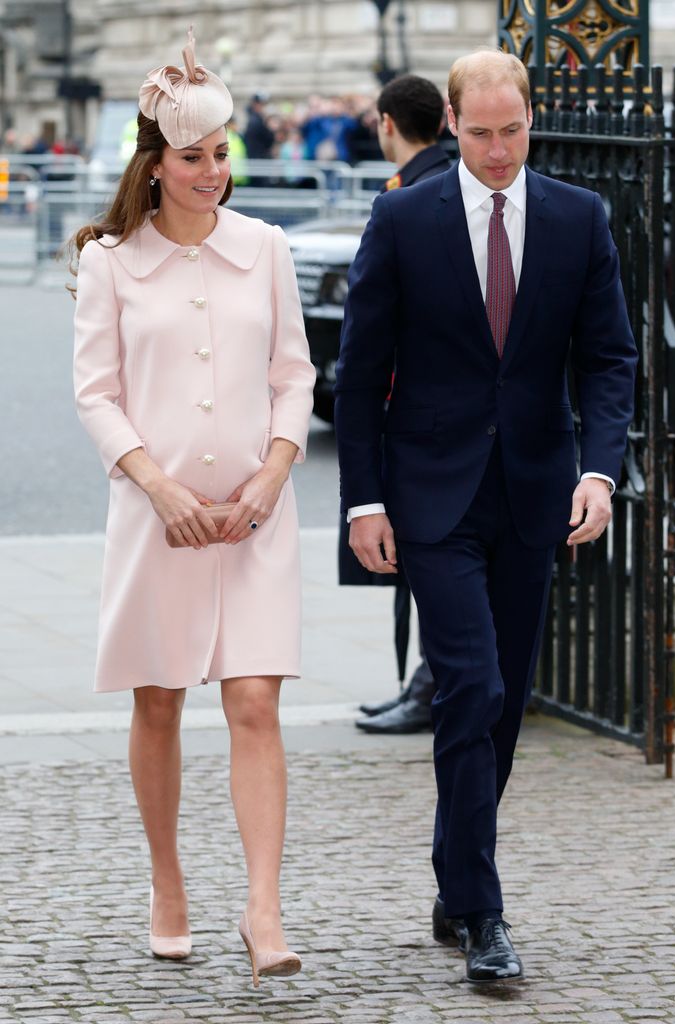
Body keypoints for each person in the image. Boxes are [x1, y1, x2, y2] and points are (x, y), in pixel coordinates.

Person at [334, 50, 637, 983]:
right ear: (452, 125)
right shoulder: (401, 216)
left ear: (531, 119)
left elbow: (610, 359)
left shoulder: (579, 217)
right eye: (480, 133)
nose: (499, 151)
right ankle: (483, 911)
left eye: (514, 131)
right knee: (473, 688)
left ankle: (453, 872)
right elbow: (357, 366)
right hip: (431, 494)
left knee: (504, 702)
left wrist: (599, 472)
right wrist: (364, 499)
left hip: (537, 491)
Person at [70, 29, 315, 987]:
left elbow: (294, 375)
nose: (213, 173)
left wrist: (272, 475)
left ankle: (264, 909)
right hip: (155, 517)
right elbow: (96, 392)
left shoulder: (268, 249)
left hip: (256, 518)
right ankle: (168, 884)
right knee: (160, 701)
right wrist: (158, 485)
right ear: (155, 162)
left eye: (221, 155)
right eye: (194, 157)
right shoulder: (109, 262)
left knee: (255, 702)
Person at [339, 74, 451, 736]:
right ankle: (423, 683)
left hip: (420, 408)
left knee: (427, 564)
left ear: (387, 123)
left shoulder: (410, 191)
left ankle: (431, 686)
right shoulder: (419, 182)